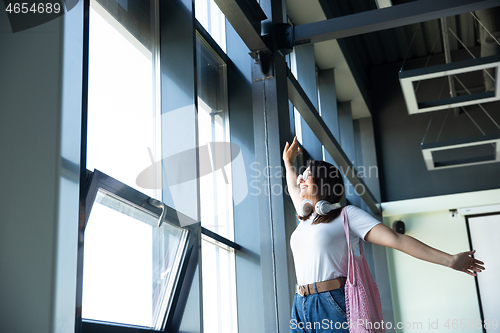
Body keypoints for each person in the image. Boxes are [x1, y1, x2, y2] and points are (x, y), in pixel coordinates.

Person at [282, 136, 485, 333]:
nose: (301, 178)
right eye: (301, 174)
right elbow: (292, 185)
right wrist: (288, 162)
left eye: (307, 174)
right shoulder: (305, 216)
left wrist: (449, 260)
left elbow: (396, 240)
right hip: (300, 303)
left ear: (323, 181)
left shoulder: (346, 216)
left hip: (331, 300)